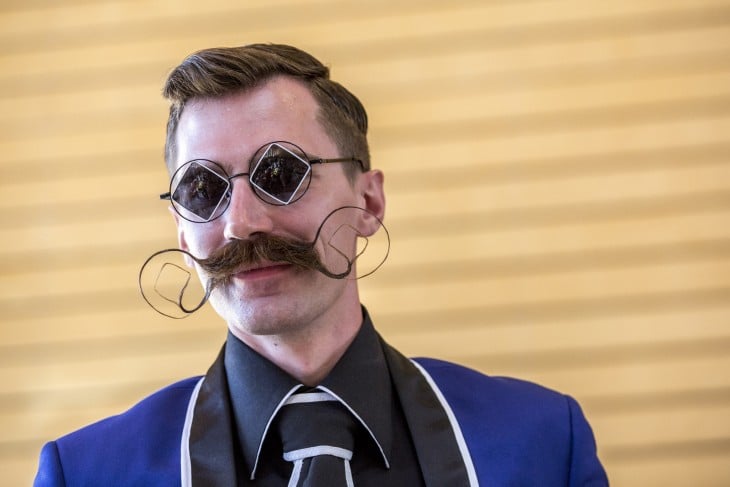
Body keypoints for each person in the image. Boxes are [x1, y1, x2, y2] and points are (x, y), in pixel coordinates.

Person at [34, 43, 609, 486]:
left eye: (281, 174)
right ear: (183, 233)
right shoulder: (86, 472)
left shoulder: (539, 443)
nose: (241, 223)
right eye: (202, 189)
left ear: (369, 201)